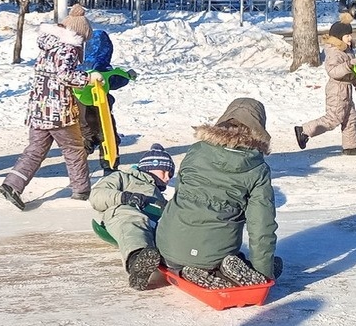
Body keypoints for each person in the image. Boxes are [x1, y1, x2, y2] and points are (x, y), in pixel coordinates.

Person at [155, 97, 280, 289]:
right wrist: (263, 274)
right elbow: (262, 225)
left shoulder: (196, 151)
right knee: (256, 262)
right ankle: (219, 271)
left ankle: (185, 267)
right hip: (214, 254)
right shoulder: (257, 169)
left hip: (167, 246)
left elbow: (180, 192)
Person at [0, 10, 103, 210]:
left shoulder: (48, 46)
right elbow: (64, 75)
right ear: (78, 33)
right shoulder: (67, 49)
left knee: (34, 150)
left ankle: (11, 185)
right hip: (58, 111)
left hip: (39, 108)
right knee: (74, 149)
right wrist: (89, 78)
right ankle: (81, 190)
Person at [89, 144, 174, 290]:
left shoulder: (158, 195)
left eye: (170, 175)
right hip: (123, 214)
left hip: (154, 223)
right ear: (149, 168)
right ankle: (137, 262)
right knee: (133, 219)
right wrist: (125, 197)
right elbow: (96, 196)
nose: (167, 179)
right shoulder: (122, 177)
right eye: (164, 172)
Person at [294, 19, 356, 155]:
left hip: (346, 90)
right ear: (339, 38)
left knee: (350, 118)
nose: (350, 38)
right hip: (337, 90)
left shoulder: (348, 51)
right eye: (347, 35)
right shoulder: (335, 52)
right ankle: (304, 130)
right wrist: (348, 65)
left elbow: (352, 73)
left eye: (351, 35)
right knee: (333, 118)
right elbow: (333, 72)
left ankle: (351, 146)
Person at [76, 26, 134, 172]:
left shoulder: (79, 71)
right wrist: (129, 74)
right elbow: (121, 78)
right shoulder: (106, 73)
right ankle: (109, 167)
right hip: (102, 116)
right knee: (108, 138)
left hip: (82, 117)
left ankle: (77, 169)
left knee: (84, 140)